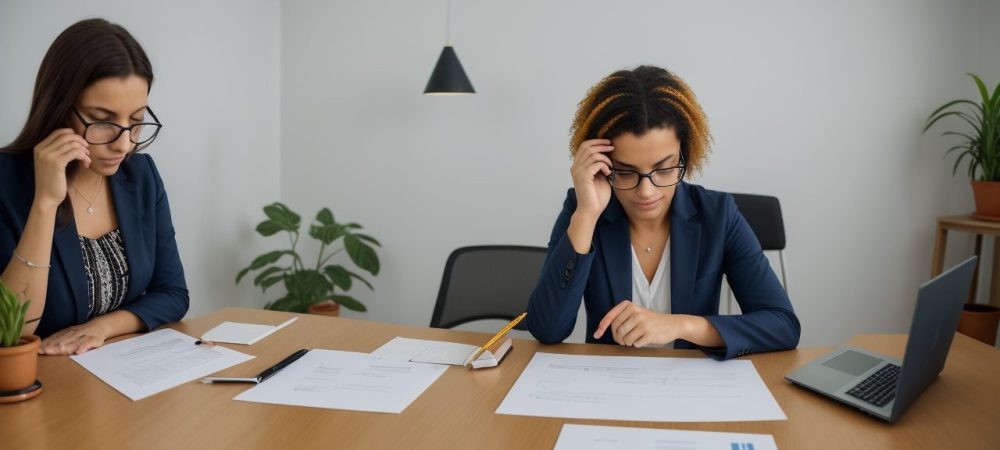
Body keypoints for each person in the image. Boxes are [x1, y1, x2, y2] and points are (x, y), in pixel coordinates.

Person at [526, 65, 799, 360]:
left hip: (692, 391)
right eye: (626, 172)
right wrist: (587, 215)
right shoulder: (584, 209)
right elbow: (547, 329)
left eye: (664, 168)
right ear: (603, 165)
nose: (647, 192)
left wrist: (679, 325)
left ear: (685, 153)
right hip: (608, 390)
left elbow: (782, 325)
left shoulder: (718, 215)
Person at [0, 18, 188, 355]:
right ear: (59, 107)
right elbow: (8, 331)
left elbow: (173, 293)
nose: (125, 144)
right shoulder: (7, 181)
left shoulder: (140, 176)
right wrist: (45, 203)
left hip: (122, 377)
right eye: (103, 120)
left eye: (136, 121)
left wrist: (101, 328)